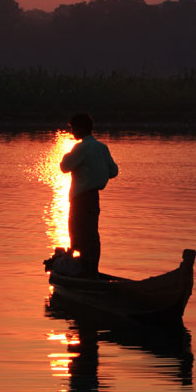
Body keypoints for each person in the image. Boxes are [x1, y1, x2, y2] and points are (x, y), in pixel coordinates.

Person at [60, 113, 118, 276]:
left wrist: (68, 155)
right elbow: (113, 171)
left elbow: (64, 166)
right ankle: (91, 269)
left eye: (73, 128)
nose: (72, 132)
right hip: (93, 198)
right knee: (92, 234)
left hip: (80, 198)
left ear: (80, 128)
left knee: (79, 233)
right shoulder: (102, 147)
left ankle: (83, 272)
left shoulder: (81, 148)